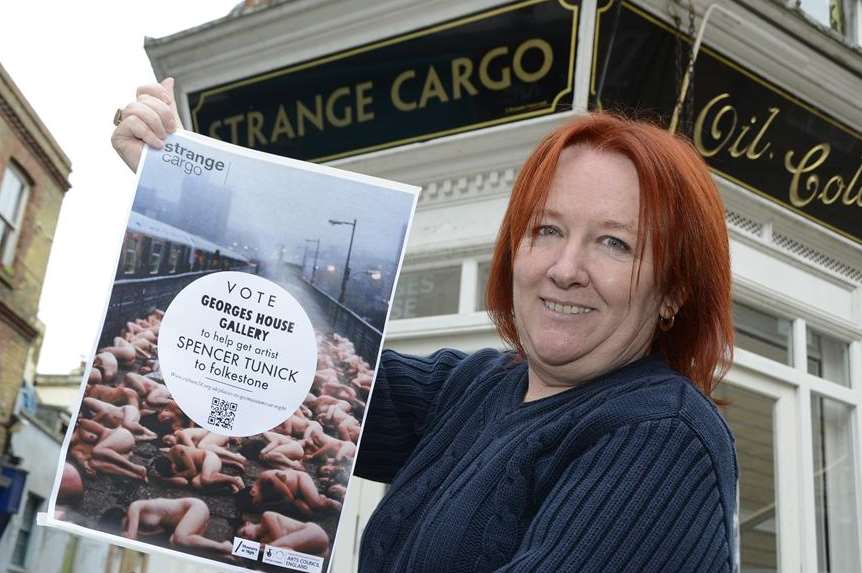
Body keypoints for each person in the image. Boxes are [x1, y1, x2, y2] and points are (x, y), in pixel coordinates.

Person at [113, 81, 737, 571]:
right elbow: (289, 368)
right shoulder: (476, 387)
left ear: (673, 292)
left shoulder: (663, 438)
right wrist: (180, 172)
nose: (565, 268)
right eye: (546, 230)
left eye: (614, 244)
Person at [115, 498, 232, 554]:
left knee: (179, 538)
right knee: (174, 544)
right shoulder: (142, 524)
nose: (128, 527)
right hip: (190, 524)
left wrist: (126, 536)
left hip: (195, 508)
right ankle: (226, 554)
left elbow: (131, 539)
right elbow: (160, 532)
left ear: (124, 516)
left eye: (126, 524)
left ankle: (224, 547)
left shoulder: (135, 506)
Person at [238, 511, 330, 556]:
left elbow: (280, 538)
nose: (247, 538)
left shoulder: (266, 517)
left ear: (248, 523)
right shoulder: (265, 539)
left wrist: (265, 546)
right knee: (276, 551)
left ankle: (231, 548)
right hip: (317, 549)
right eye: (246, 540)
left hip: (313, 532)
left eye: (244, 533)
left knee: (270, 549)